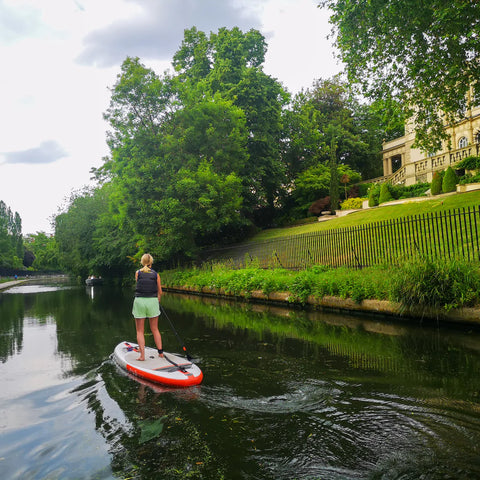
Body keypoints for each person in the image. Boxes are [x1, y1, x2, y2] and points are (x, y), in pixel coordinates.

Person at [132, 253, 164, 361]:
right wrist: (158, 299)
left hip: (140, 302)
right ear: (151, 262)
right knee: (155, 329)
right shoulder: (156, 274)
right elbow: (160, 292)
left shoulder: (137, 273)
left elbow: (140, 285)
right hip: (152, 302)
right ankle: (160, 353)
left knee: (140, 331)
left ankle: (142, 356)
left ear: (142, 262)